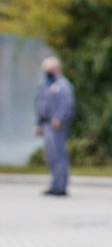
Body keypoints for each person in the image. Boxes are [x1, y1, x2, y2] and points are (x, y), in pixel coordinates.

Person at [35, 56, 75, 196]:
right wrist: (39, 123)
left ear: (56, 68)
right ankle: (54, 184)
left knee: (58, 155)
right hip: (46, 124)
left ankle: (61, 186)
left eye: (48, 69)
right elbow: (40, 104)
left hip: (57, 125)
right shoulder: (45, 84)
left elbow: (67, 104)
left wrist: (59, 118)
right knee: (51, 156)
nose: (46, 71)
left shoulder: (63, 85)